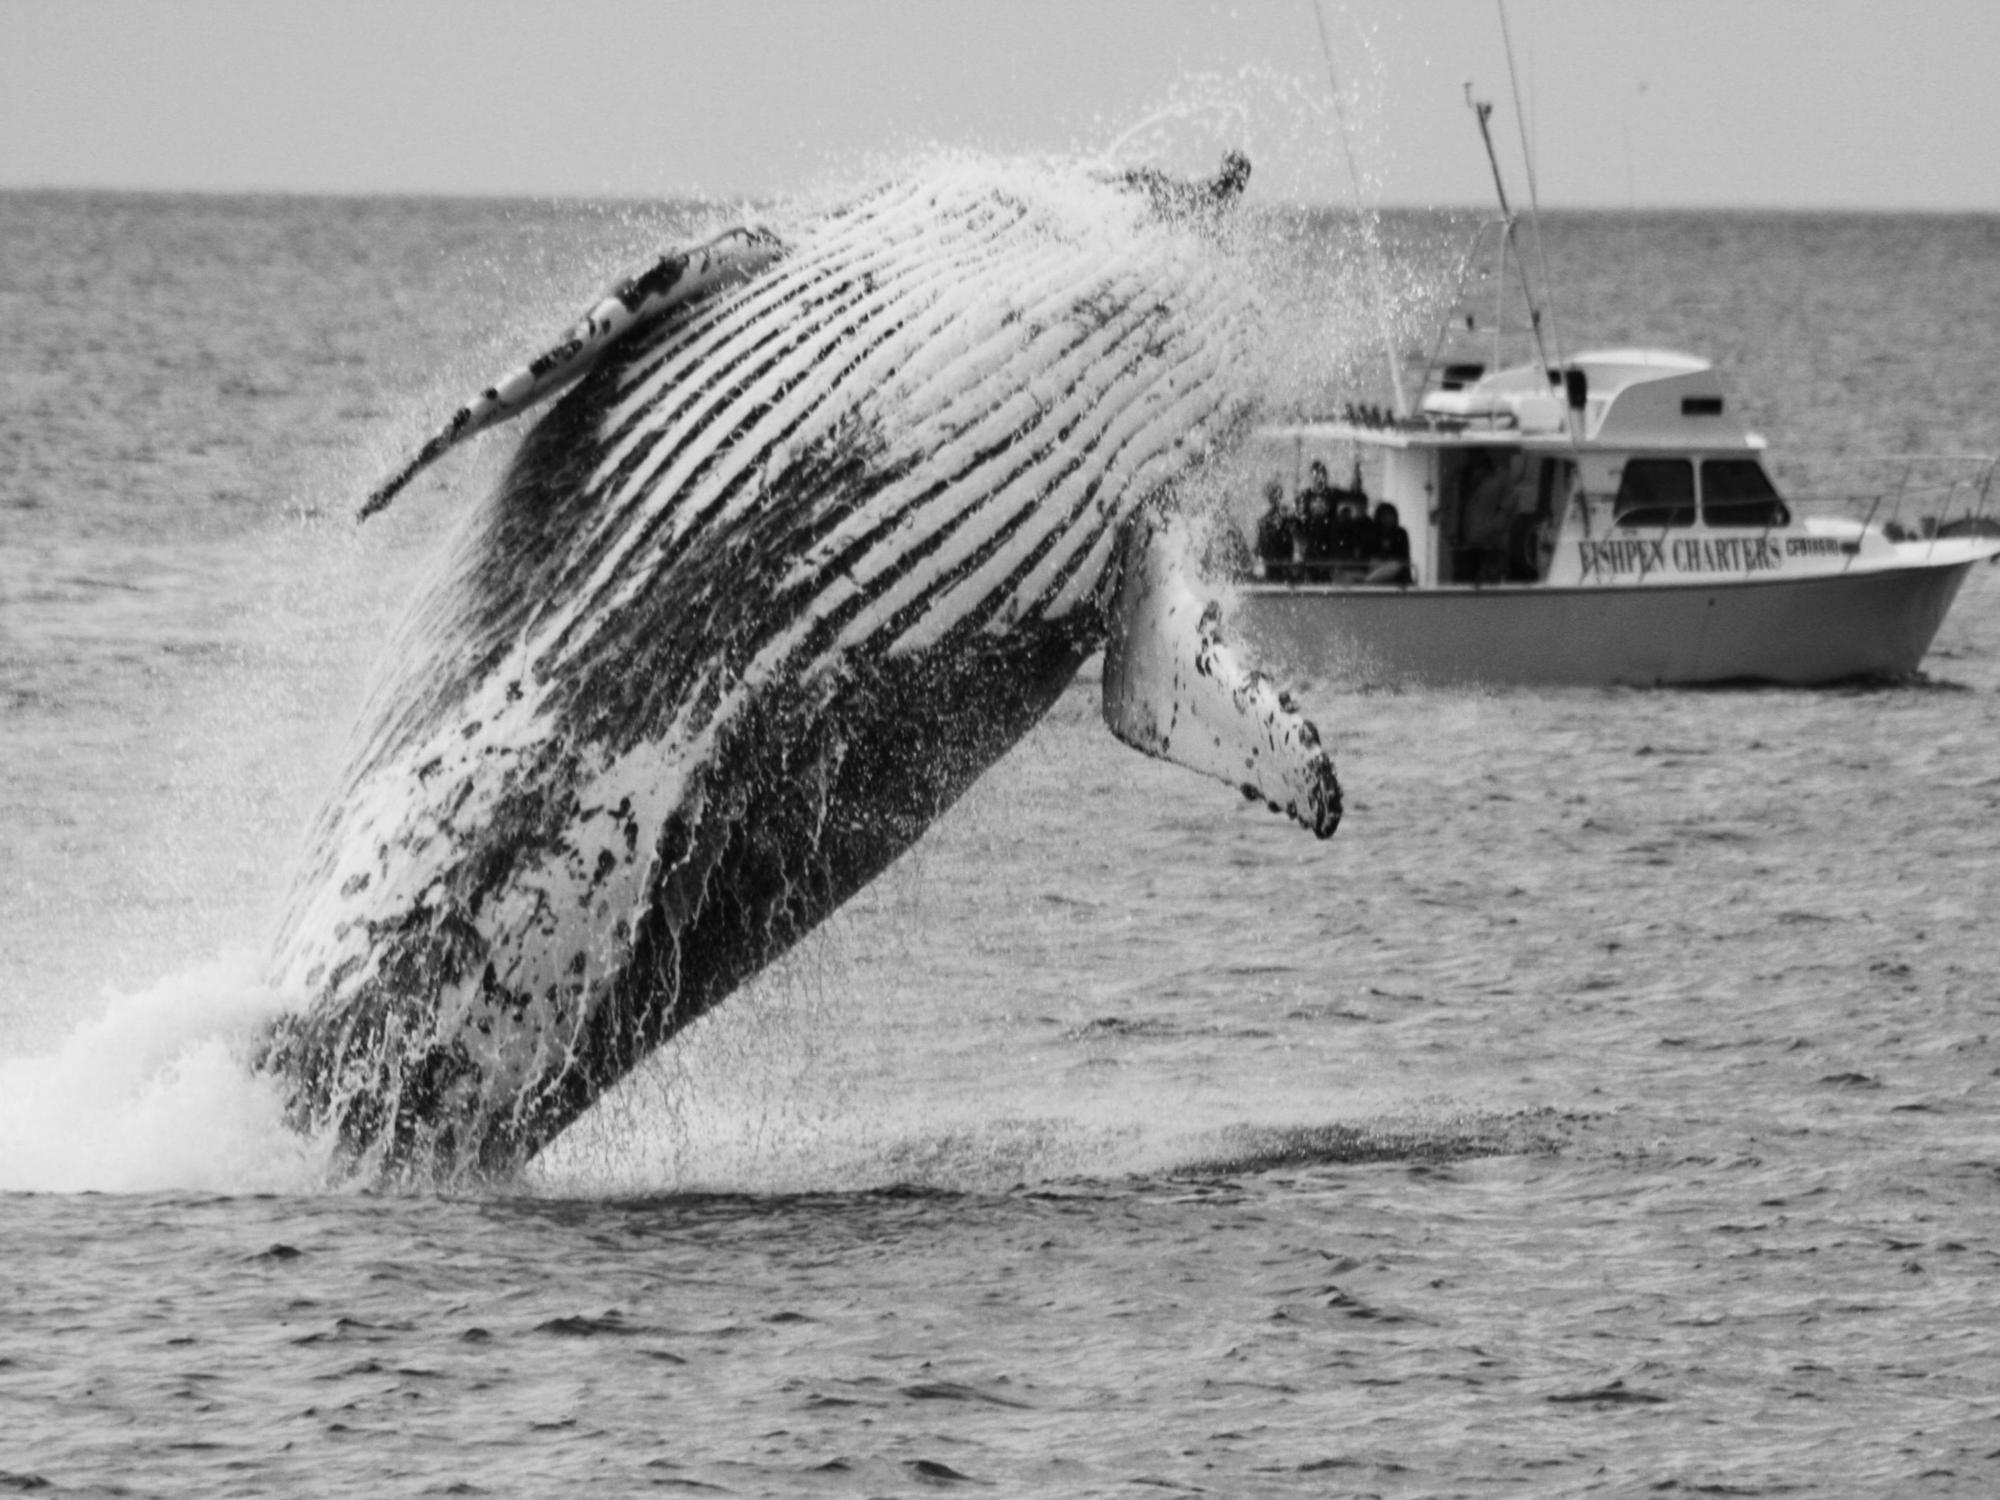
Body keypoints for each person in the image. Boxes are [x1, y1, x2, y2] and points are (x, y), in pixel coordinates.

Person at [1254, 479, 1294, 580]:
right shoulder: (1264, 521)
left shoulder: (1286, 515)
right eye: (1272, 494)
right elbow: (1260, 545)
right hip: (1271, 564)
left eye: (1276, 493)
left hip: (1285, 563)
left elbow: (1293, 537)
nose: (1274, 498)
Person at [1365, 501, 1413, 585]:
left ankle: (1367, 581)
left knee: (1395, 565)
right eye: (1384, 516)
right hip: (1376, 566)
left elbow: (1404, 556)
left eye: (1391, 516)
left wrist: (1408, 578)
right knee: (1375, 562)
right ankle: (1368, 580)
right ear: (1379, 517)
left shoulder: (1400, 533)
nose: (1388, 519)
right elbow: (1368, 554)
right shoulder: (1372, 532)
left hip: (1394, 567)